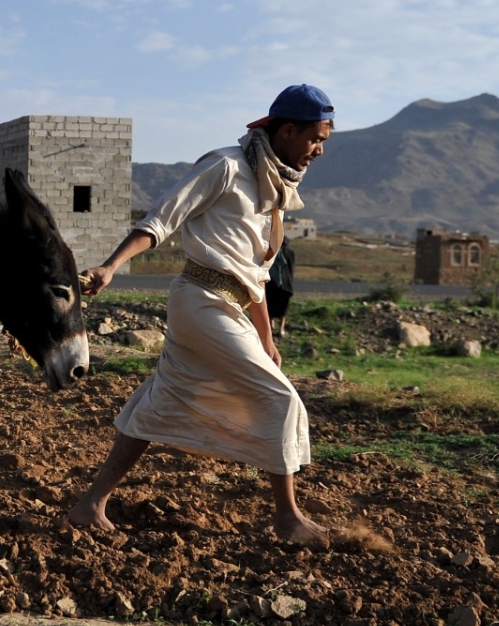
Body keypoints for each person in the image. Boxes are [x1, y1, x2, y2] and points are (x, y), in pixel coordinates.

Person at [67, 84, 333, 543]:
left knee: (161, 401)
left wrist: (266, 338)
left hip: (229, 306)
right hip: (202, 301)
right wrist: (112, 265)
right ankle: (288, 519)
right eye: (316, 139)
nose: (319, 151)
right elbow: (162, 218)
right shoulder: (226, 167)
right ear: (287, 131)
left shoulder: (274, 188)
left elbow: (257, 275)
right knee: (281, 399)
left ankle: (90, 505)